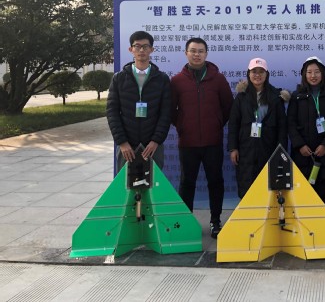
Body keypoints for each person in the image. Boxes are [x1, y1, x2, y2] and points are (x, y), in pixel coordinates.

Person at [170, 37, 233, 239]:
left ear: (206, 54)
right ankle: (187, 221)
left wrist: (216, 124)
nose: (196, 54)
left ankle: (215, 221)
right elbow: (171, 110)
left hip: (213, 142)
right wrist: (182, 126)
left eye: (200, 51)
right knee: (186, 182)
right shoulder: (177, 81)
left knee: (215, 181)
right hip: (187, 142)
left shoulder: (218, 79)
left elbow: (228, 107)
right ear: (186, 53)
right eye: (193, 51)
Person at [107, 31, 171, 171]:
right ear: (131, 49)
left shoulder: (162, 79)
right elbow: (112, 112)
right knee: (127, 183)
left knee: (153, 183)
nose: (141, 50)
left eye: (145, 46)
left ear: (152, 49)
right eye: (137, 46)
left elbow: (166, 113)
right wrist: (122, 142)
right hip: (127, 147)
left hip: (152, 147)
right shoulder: (119, 78)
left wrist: (156, 141)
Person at [228, 58, 289, 199]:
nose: (257, 75)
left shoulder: (276, 97)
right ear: (248, 74)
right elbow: (233, 124)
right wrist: (233, 148)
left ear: (267, 74)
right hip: (246, 150)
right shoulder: (241, 97)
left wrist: (281, 151)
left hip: (269, 149)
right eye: (254, 71)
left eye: (261, 71)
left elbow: (282, 127)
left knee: (268, 189)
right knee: (246, 187)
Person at [287, 56, 325, 207]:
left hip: (324, 154)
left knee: (322, 193)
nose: (313, 75)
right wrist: (300, 145)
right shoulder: (296, 96)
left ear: (323, 74)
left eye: (317, 72)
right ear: (304, 75)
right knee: (302, 194)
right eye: (309, 72)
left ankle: (323, 222)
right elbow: (290, 123)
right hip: (302, 154)